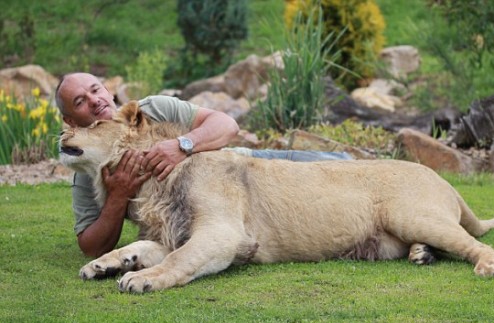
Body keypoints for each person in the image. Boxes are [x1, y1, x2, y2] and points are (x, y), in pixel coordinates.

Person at [56, 72, 351, 258]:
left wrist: (182, 145)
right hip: (218, 210)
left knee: (347, 168)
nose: (94, 101)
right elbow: (92, 247)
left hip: (244, 168)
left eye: (96, 89)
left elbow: (227, 125)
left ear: (109, 91)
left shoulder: (153, 109)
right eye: (80, 101)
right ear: (70, 121)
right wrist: (118, 195)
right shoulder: (86, 162)